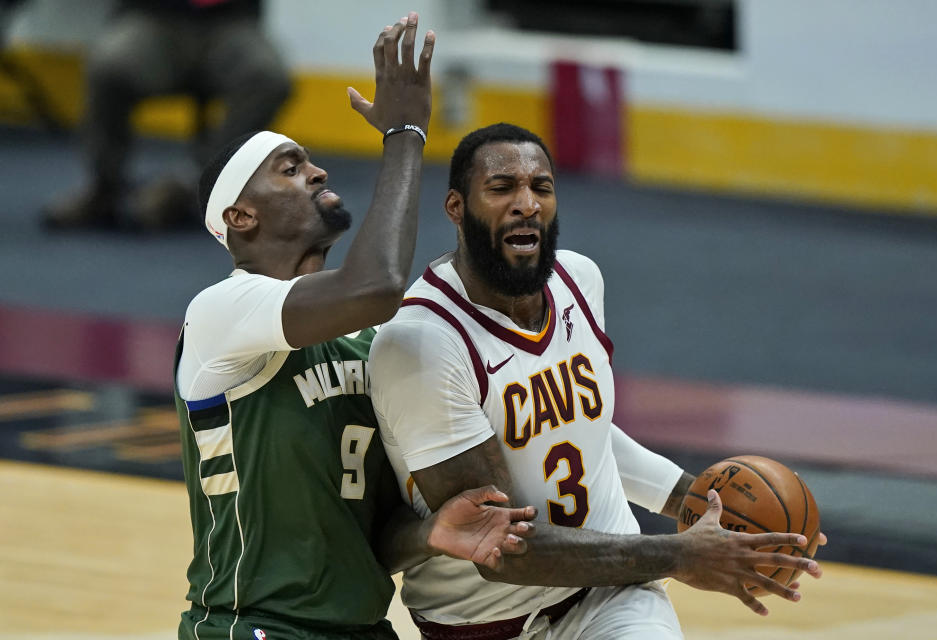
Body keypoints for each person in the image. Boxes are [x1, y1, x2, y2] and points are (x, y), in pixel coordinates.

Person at [368, 122, 824, 639]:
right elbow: (502, 549)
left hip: (611, 593)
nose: (527, 204)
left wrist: (703, 506)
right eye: (502, 188)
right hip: (483, 624)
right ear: (456, 206)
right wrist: (679, 554)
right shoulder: (423, 344)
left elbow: (585, 435)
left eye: (541, 187)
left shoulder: (579, 280)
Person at [174, 19, 536, 640]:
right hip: (254, 626)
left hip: (365, 627)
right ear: (240, 216)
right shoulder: (219, 313)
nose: (315, 173)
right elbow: (375, 286)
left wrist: (428, 532)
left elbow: (365, 531)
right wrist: (405, 133)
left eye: (310, 163)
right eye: (289, 169)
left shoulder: (374, 343)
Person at [44, 0, 291, 231]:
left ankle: (200, 186)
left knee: (267, 77)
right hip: (154, 16)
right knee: (109, 67)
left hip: (231, 21)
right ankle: (104, 188)